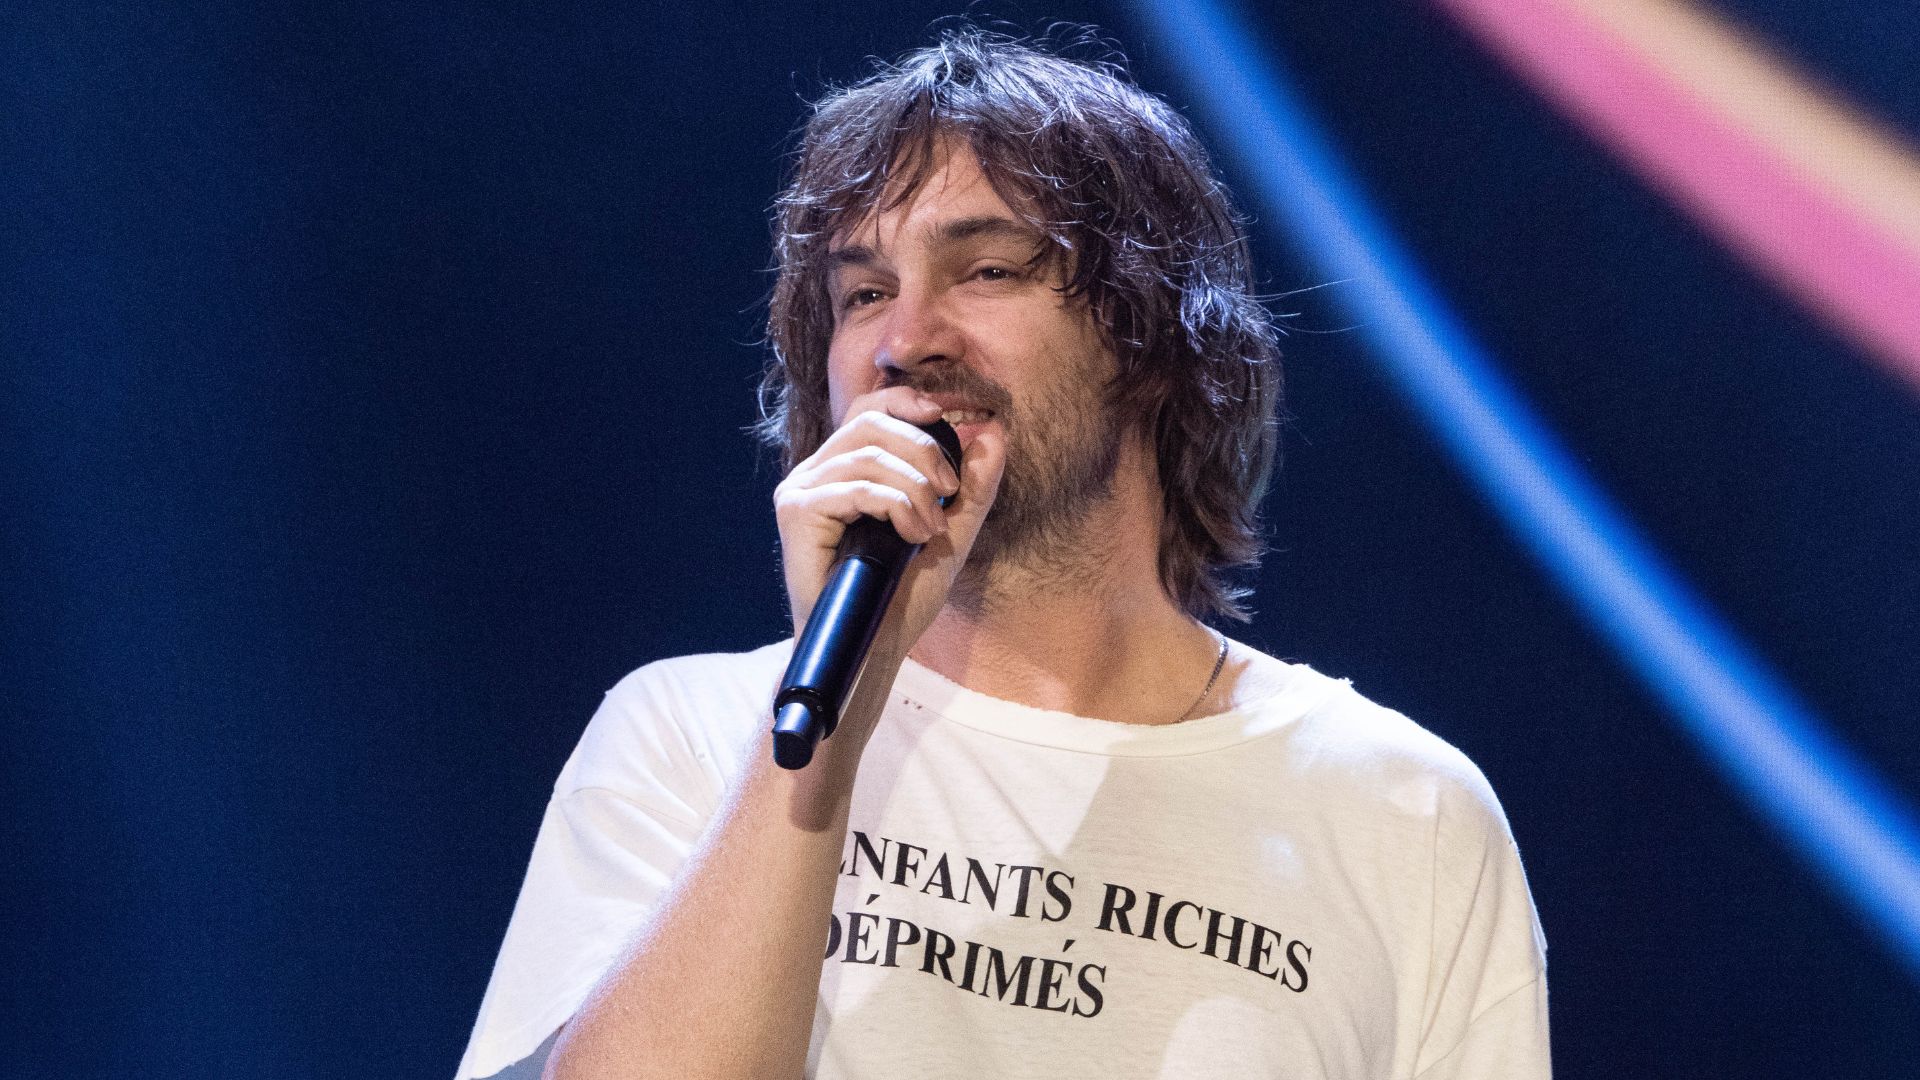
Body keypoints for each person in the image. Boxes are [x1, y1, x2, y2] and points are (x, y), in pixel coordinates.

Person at [457, 29, 1548, 1080]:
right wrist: (834, 729)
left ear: (1151, 336)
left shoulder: (1405, 814)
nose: (905, 342)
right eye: (864, 294)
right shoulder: (689, 739)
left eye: (985, 270)